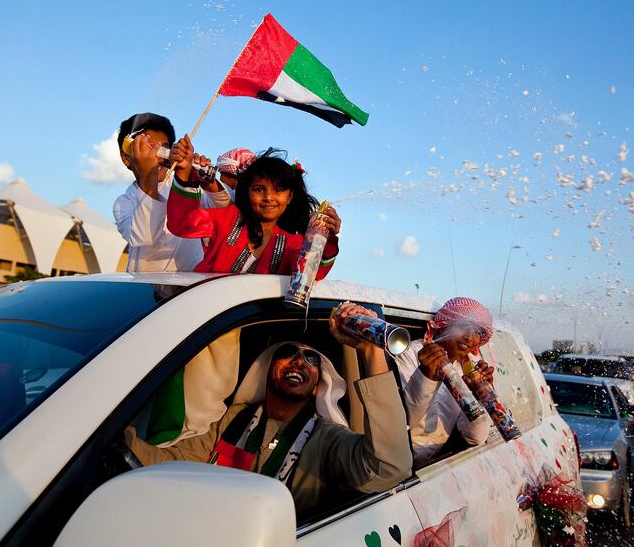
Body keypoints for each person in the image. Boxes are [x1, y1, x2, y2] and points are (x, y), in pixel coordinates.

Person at [126, 303, 412, 517]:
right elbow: (174, 462)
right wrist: (115, 438)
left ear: (318, 386)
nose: (299, 361)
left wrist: (370, 350)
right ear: (267, 370)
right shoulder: (234, 419)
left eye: (310, 358)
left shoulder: (326, 440)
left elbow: (389, 468)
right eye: (288, 353)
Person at [166, 139, 341, 276]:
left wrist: (326, 237)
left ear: (290, 197)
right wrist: (183, 173)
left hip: (245, 322)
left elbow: (310, 273)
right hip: (203, 316)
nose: (268, 197)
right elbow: (181, 224)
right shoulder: (229, 218)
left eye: (278, 190)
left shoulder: (292, 243)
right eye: (259, 189)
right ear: (247, 192)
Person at [112, 113, 232, 272]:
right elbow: (144, 236)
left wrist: (202, 176)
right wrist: (148, 175)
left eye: (164, 148)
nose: (157, 156)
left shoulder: (186, 186)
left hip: (189, 288)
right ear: (126, 158)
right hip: (147, 290)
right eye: (147, 147)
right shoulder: (123, 203)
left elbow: (226, 205)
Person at [395, 297, 496, 465]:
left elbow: (475, 438)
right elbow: (402, 422)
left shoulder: (470, 370)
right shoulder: (410, 354)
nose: (469, 338)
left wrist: (481, 396)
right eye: (463, 326)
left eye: (477, 332)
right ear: (443, 326)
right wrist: (426, 376)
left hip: (434, 466)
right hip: (397, 462)